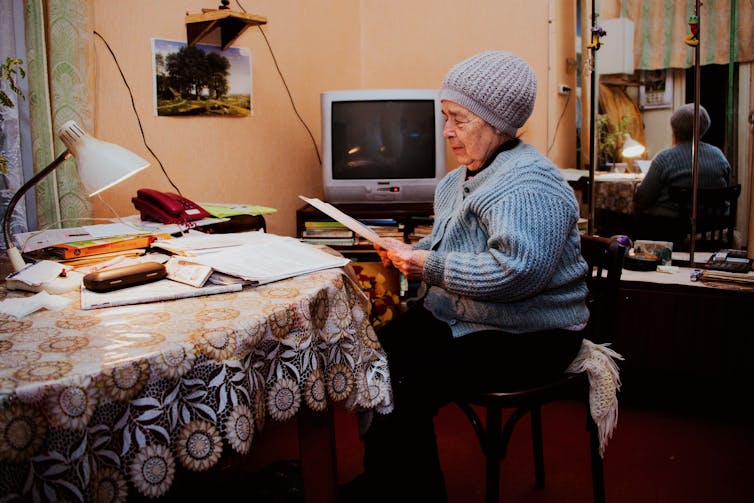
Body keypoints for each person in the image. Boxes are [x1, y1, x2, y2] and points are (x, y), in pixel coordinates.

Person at [340, 51, 591, 502]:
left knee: (402, 378)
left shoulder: (530, 184)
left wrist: (425, 266)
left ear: (497, 122)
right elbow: (450, 252)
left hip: (532, 334)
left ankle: (410, 493)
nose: (446, 132)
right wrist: (409, 254)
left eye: (459, 119)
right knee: (373, 351)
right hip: (475, 317)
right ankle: (386, 481)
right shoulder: (456, 182)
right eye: (445, 117)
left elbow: (517, 273)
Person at [633, 103, 731, 241]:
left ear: (674, 130)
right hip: (712, 229)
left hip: (669, 230)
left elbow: (642, 198)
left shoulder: (665, 158)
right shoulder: (719, 156)